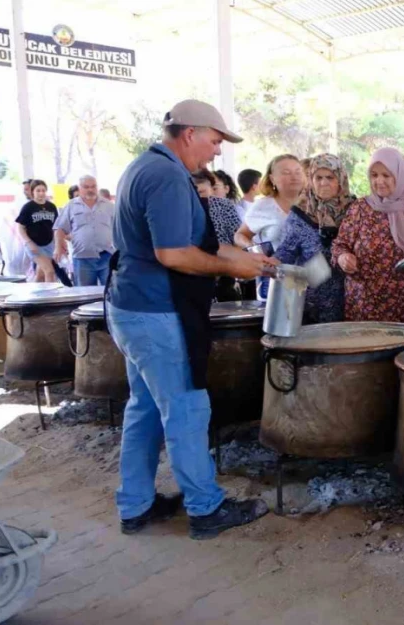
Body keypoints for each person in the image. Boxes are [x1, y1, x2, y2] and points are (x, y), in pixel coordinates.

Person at [108, 99, 274, 540]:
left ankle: (136, 504)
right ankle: (206, 508)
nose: (217, 152)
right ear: (190, 134)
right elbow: (174, 254)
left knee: (144, 408)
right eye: (216, 140)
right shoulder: (165, 176)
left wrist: (246, 260)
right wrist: (229, 268)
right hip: (156, 311)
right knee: (185, 408)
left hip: (131, 307)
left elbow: (193, 241)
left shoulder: (146, 166)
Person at [333, 147, 404, 324]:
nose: (379, 181)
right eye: (374, 175)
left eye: (386, 175)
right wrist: (343, 258)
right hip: (364, 302)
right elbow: (339, 246)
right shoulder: (360, 208)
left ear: (399, 175)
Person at [275, 153, 351, 324]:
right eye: (318, 177)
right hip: (311, 302)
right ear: (310, 179)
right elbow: (285, 253)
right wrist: (267, 264)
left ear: (340, 179)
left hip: (350, 300)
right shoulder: (300, 213)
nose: (324, 183)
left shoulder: (355, 210)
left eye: (330, 177)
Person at [235, 154, 303, 299]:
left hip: (310, 281)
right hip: (274, 279)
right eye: (286, 172)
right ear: (272, 178)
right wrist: (255, 249)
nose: (294, 176)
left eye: (298, 171)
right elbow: (240, 235)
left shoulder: (313, 204)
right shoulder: (262, 206)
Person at [53, 175, 116, 286]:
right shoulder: (71, 206)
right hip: (82, 259)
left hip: (107, 257)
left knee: (111, 292)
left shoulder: (109, 206)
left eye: (93, 186)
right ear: (80, 188)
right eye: (86, 187)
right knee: (84, 294)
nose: (90, 190)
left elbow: (119, 227)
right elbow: (60, 228)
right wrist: (58, 247)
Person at [14, 179, 58, 282]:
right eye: (38, 190)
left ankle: (35, 295)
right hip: (34, 244)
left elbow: (55, 226)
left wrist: (58, 243)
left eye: (43, 190)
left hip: (48, 244)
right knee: (49, 271)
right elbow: (20, 227)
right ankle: (50, 297)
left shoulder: (51, 206)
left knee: (41, 274)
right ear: (33, 192)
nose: (41, 193)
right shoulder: (28, 207)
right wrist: (29, 243)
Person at [191, 170, 241, 245]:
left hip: (228, 252)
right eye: (195, 193)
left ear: (211, 189)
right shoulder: (188, 208)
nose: (199, 196)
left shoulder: (224, 205)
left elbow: (236, 234)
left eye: (202, 191)